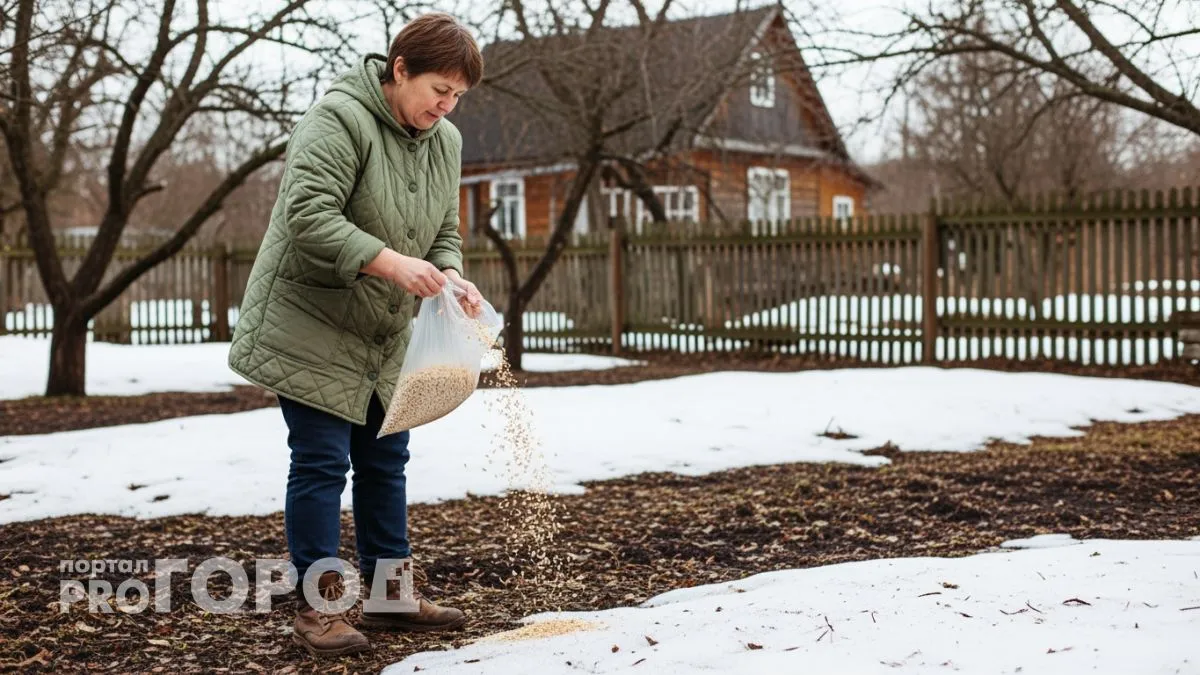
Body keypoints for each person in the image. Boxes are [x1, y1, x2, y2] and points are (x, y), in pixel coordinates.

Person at [227, 12, 485, 657]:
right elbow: (308, 217)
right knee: (320, 462)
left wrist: (450, 275)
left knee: (385, 460)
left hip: (380, 329)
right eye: (438, 90)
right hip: (312, 319)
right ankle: (318, 611)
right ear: (400, 70)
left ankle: (390, 596)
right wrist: (393, 263)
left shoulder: (444, 141)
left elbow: (442, 233)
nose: (446, 106)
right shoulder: (337, 118)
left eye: (457, 96)